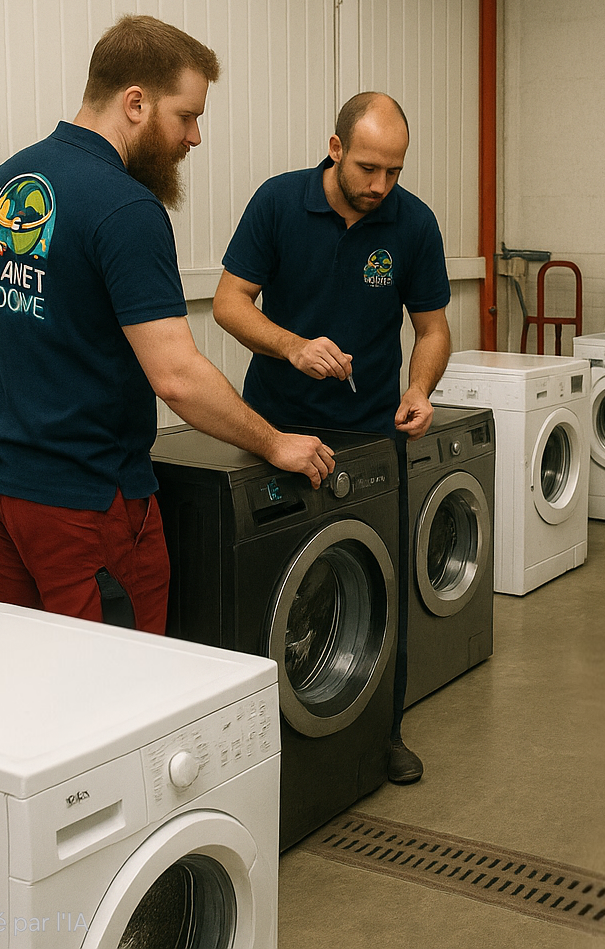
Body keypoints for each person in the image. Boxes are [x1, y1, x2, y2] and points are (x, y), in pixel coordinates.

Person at [0, 14, 335, 636]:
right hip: (85, 502)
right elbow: (177, 377)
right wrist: (276, 443)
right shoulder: (126, 207)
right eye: (186, 116)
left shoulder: (8, 181)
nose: (194, 137)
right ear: (135, 103)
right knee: (117, 677)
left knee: (24, 664)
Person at [213, 91, 452, 784]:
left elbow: (432, 329)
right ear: (336, 148)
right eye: (369, 168)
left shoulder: (414, 223)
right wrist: (292, 346)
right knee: (279, 586)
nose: (381, 185)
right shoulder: (278, 203)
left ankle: (383, 736)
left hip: (371, 435)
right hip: (274, 432)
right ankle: (263, 751)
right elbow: (229, 303)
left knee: (375, 583)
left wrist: (419, 389)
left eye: (394, 171)